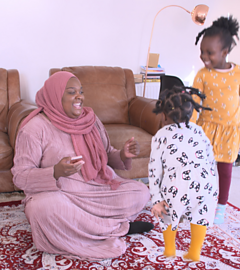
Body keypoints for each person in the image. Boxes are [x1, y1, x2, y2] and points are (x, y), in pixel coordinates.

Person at [11, 71, 153, 261]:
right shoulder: (34, 128)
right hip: (61, 195)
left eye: (81, 91)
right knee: (41, 209)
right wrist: (55, 172)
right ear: (55, 95)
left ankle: (87, 227)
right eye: (71, 92)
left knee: (141, 192)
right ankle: (118, 228)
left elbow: (106, 154)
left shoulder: (90, 120)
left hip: (96, 191)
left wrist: (122, 154)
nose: (79, 96)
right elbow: (20, 176)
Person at [191, 16, 240, 224]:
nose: (204, 56)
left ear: (224, 52)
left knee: (225, 170)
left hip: (231, 129)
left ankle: (221, 206)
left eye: (209, 52)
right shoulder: (203, 75)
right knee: (202, 168)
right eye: (202, 51)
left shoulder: (239, 72)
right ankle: (200, 201)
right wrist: (190, 127)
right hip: (207, 129)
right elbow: (195, 102)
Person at [148, 86, 218, 262]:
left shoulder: (160, 135)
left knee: (168, 213)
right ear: (191, 113)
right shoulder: (198, 130)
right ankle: (194, 252)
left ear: (164, 115)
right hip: (205, 181)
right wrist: (213, 185)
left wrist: (157, 198)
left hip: (176, 184)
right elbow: (210, 157)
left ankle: (170, 249)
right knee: (200, 214)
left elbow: (154, 169)